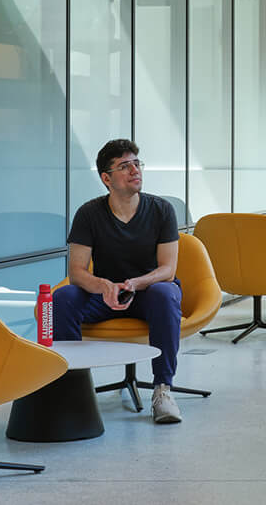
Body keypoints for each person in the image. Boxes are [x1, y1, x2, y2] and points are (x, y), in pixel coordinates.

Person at [53, 139, 184, 425]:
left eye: (137, 163)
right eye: (125, 166)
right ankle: (73, 390)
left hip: (147, 293)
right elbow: (76, 272)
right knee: (62, 299)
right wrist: (104, 286)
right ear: (106, 178)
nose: (135, 170)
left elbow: (167, 269)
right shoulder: (89, 213)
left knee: (165, 292)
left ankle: (163, 389)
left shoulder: (162, 210)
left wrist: (135, 283)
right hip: (104, 295)